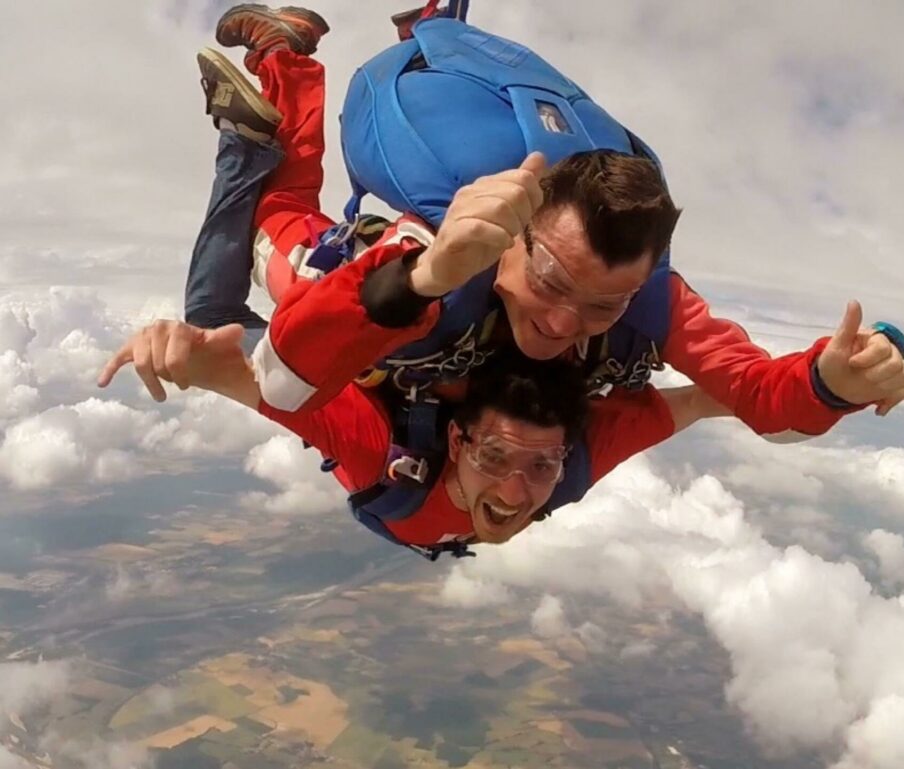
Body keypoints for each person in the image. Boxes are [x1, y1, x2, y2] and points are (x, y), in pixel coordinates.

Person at [97, 47, 729, 560]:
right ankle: (268, 97)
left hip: (392, 329)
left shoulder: (543, 463)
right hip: (361, 317)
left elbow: (711, 397)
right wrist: (185, 353)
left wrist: (186, 359)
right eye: (514, 459)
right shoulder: (408, 452)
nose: (517, 490)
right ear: (455, 442)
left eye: (520, 462)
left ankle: (408, 43)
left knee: (228, 315)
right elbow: (262, 382)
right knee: (240, 278)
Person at [204, 4, 904, 448]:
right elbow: (283, 381)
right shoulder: (453, 245)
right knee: (283, 221)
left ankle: (436, 24)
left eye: (601, 305)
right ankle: (287, 59)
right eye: (551, 279)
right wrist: (421, 278)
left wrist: (830, 379)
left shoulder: (649, 294)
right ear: (515, 225)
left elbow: (759, 394)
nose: (561, 322)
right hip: (419, 277)